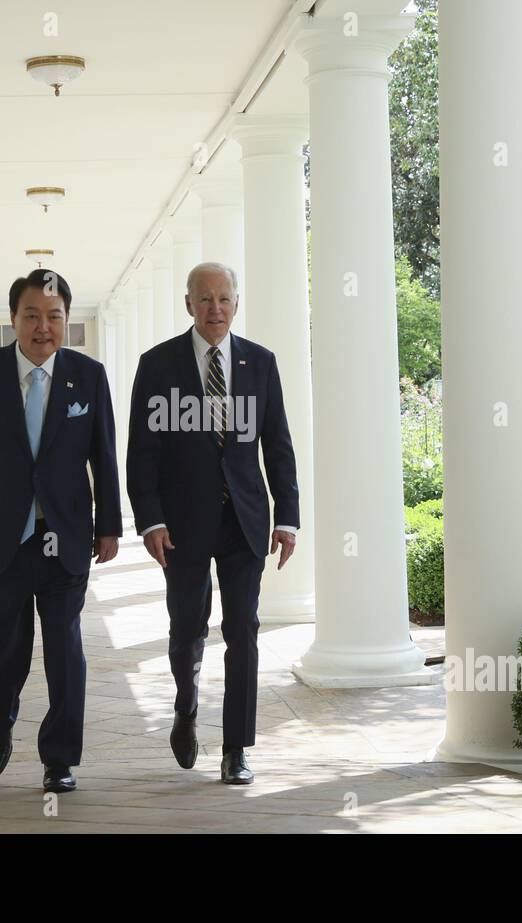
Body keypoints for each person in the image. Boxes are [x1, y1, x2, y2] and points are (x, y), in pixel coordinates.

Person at [0, 268, 120, 793]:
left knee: (65, 651)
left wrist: (109, 526)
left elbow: (104, 457)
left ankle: (60, 759)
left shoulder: (89, 376)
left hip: (65, 540)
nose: (43, 327)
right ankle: (0, 711)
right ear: (13, 319)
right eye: (31, 315)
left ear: (66, 321)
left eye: (53, 317)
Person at [126, 261, 299, 784]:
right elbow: (142, 452)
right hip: (182, 524)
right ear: (188, 304)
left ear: (236, 303)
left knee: (243, 630)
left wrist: (287, 518)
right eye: (205, 299)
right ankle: (186, 703)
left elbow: (279, 446)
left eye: (224, 299)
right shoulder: (157, 365)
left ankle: (236, 748)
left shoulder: (260, 364)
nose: (215, 309)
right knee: (187, 627)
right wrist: (150, 519)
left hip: (245, 520)